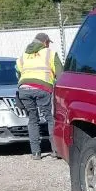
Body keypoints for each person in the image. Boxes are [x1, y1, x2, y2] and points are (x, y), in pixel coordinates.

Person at [16, 32, 63, 160]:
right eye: (48, 42)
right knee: (50, 118)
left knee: (32, 119)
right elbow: (60, 74)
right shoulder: (50, 53)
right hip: (42, 88)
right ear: (44, 42)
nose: (48, 45)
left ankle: (35, 153)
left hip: (24, 89)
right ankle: (56, 150)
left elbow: (18, 71)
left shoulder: (24, 55)